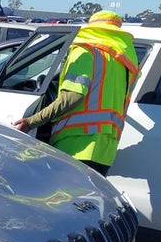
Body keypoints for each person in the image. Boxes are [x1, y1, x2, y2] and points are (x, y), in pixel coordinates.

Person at [13, 10, 140, 176]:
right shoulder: (127, 63)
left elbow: (74, 96)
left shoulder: (85, 51)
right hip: (105, 150)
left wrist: (31, 121)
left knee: (61, 192)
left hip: (75, 144)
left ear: (92, 28)